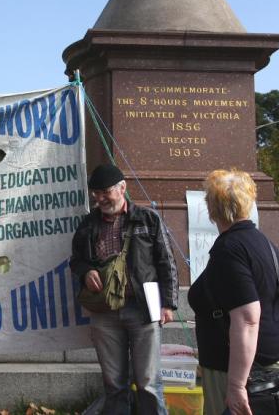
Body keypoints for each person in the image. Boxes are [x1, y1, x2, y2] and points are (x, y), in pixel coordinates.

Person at [70, 164, 178, 415]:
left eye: (105, 192)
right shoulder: (87, 224)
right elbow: (75, 260)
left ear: (122, 188)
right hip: (104, 311)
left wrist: (168, 303)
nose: (100, 199)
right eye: (96, 193)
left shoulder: (148, 218)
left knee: (149, 384)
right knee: (113, 384)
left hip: (143, 309)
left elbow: (167, 261)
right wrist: (86, 271)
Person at [188, 169, 279, 415]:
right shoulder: (266, 243)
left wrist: (236, 385)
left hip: (239, 371)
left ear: (212, 209)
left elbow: (248, 318)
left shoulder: (229, 250)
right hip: (269, 362)